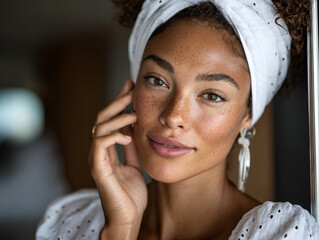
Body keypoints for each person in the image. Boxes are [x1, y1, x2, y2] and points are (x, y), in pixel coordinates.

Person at [36, 0, 319, 239]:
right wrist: (120, 230)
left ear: (247, 115)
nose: (174, 116)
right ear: (132, 89)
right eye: (157, 80)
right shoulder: (70, 223)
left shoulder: (279, 233)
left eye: (212, 95)